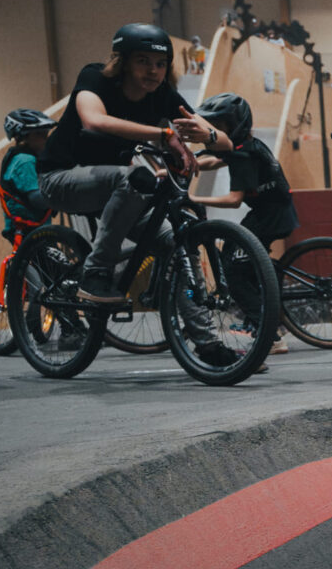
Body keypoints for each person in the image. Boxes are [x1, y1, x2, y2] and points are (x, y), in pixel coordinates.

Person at [38, 22, 239, 365]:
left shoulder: (162, 95)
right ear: (123, 62)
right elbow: (93, 121)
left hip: (118, 187)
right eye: (143, 61)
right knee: (135, 178)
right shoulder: (94, 79)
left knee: (177, 244)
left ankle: (208, 345)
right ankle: (96, 272)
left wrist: (206, 135)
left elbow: (225, 143)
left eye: (160, 64)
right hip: (60, 178)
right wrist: (164, 135)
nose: (153, 71)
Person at [190, 92, 297, 354]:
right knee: (240, 260)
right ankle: (264, 304)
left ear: (234, 126)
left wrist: (193, 199)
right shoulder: (246, 145)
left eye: (219, 125)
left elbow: (234, 200)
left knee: (233, 270)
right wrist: (187, 166)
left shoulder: (242, 156)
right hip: (274, 212)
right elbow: (214, 160)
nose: (214, 131)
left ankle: (270, 336)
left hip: (270, 217)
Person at [0, 108, 56, 238]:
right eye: (40, 134)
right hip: (26, 228)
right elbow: (36, 198)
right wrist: (62, 197)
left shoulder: (24, 157)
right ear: (24, 137)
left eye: (46, 133)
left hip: (34, 226)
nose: (45, 138)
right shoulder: (25, 161)